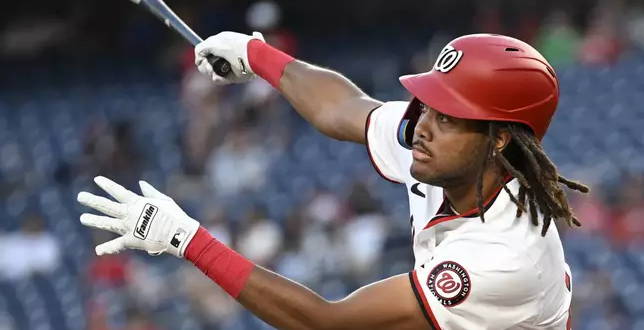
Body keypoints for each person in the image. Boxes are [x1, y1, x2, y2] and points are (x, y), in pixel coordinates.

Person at [77, 32, 589, 329]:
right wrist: (258, 56)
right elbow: (344, 109)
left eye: (450, 116)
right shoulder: (452, 153)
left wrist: (186, 239)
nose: (423, 127)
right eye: (428, 106)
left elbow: (326, 323)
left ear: (500, 139)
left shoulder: (503, 256)